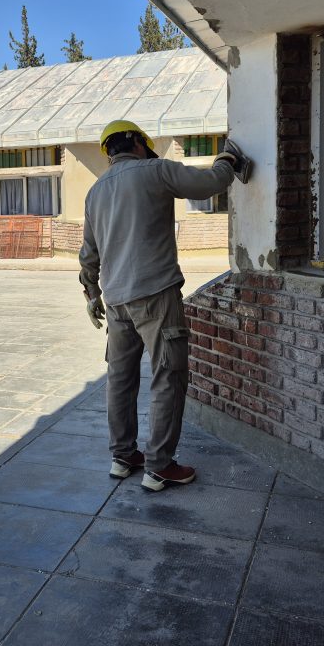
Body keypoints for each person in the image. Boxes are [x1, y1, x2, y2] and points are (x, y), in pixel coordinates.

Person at [79, 120, 251, 492]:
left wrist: (91, 294)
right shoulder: (155, 171)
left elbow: (88, 256)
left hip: (116, 302)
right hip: (155, 295)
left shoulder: (95, 192)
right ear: (138, 143)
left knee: (120, 380)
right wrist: (227, 159)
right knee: (168, 376)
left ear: (109, 151)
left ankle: (123, 457)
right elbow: (210, 184)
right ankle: (159, 467)